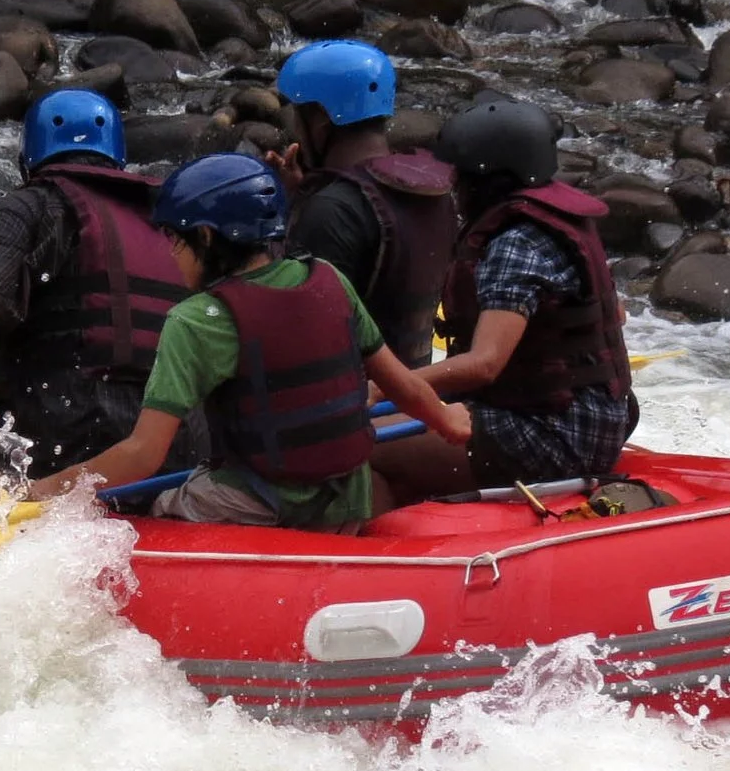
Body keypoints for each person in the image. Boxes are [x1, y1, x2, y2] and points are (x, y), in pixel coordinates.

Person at [30, 154, 470, 532]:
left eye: (175, 241)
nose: (170, 255)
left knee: (156, 507)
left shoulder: (197, 321)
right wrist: (446, 419)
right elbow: (401, 385)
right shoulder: (329, 280)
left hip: (263, 503)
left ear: (205, 237)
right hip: (347, 501)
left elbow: (143, 454)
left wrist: (43, 492)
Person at [372, 97, 638, 502]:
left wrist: (391, 386)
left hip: (553, 435)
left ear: (483, 180)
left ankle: (372, 547)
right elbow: (614, 316)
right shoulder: (562, 219)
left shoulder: (516, 243)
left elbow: (484, 364)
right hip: (600, 419)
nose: (454, 186)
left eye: (459, 177)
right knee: (390, 431)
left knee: (360, 446)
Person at [0, 89, 201, 477]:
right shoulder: (173, 221)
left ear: (28, 160)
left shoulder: (28, 206)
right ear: (117, 156)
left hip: (58, 456)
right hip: (171, 458)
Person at [270, 39, 460, 367]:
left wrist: (289, 212)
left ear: (320, 118)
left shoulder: (332, 209)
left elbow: (298, 325)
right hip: (415, 379)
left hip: (356, 399)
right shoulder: (435, 193)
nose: (296, 131)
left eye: (299, 118)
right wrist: (300, 196)